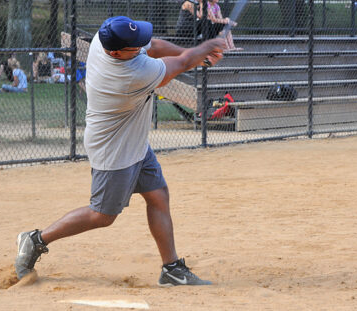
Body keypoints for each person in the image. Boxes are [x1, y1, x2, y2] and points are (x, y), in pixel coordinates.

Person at [14, 16, 226, 286]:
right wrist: (203, 50)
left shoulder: (104, 42)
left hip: (134, 141)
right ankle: (35, 240)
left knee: (159, 196)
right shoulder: (131, 74)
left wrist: (196, 54)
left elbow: (156, 45)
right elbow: (182, 64)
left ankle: (171, 268)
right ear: (115, 52)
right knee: (101, 215)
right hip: (114, 150)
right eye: (134, 46)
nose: (141, 47)